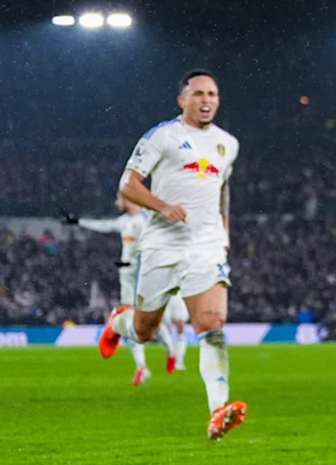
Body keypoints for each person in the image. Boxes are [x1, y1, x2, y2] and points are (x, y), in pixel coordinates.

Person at [97, 69, 247, 440]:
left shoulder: (228, 143)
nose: (206, 100)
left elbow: (222, 189)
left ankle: (218, 411)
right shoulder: (162, 136)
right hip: (163, 245)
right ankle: (119, 321)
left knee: (211, 323)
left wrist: (224, 230)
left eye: (212, 93)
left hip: (205, 245)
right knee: (145, 331)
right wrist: (162, 206)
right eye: (198, 94)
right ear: (183, 100)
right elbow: (128, 185)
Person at [62, 195, 173, 385]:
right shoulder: (125, 221)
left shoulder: (146, 219)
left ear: (129, 199)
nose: (116, 202)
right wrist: (79, 222)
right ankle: (143, 367)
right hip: (127, 276)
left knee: (145, 321)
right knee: (133, 318)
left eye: (119, 199)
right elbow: (104, 226)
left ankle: (169, 351)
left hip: (142, 274)